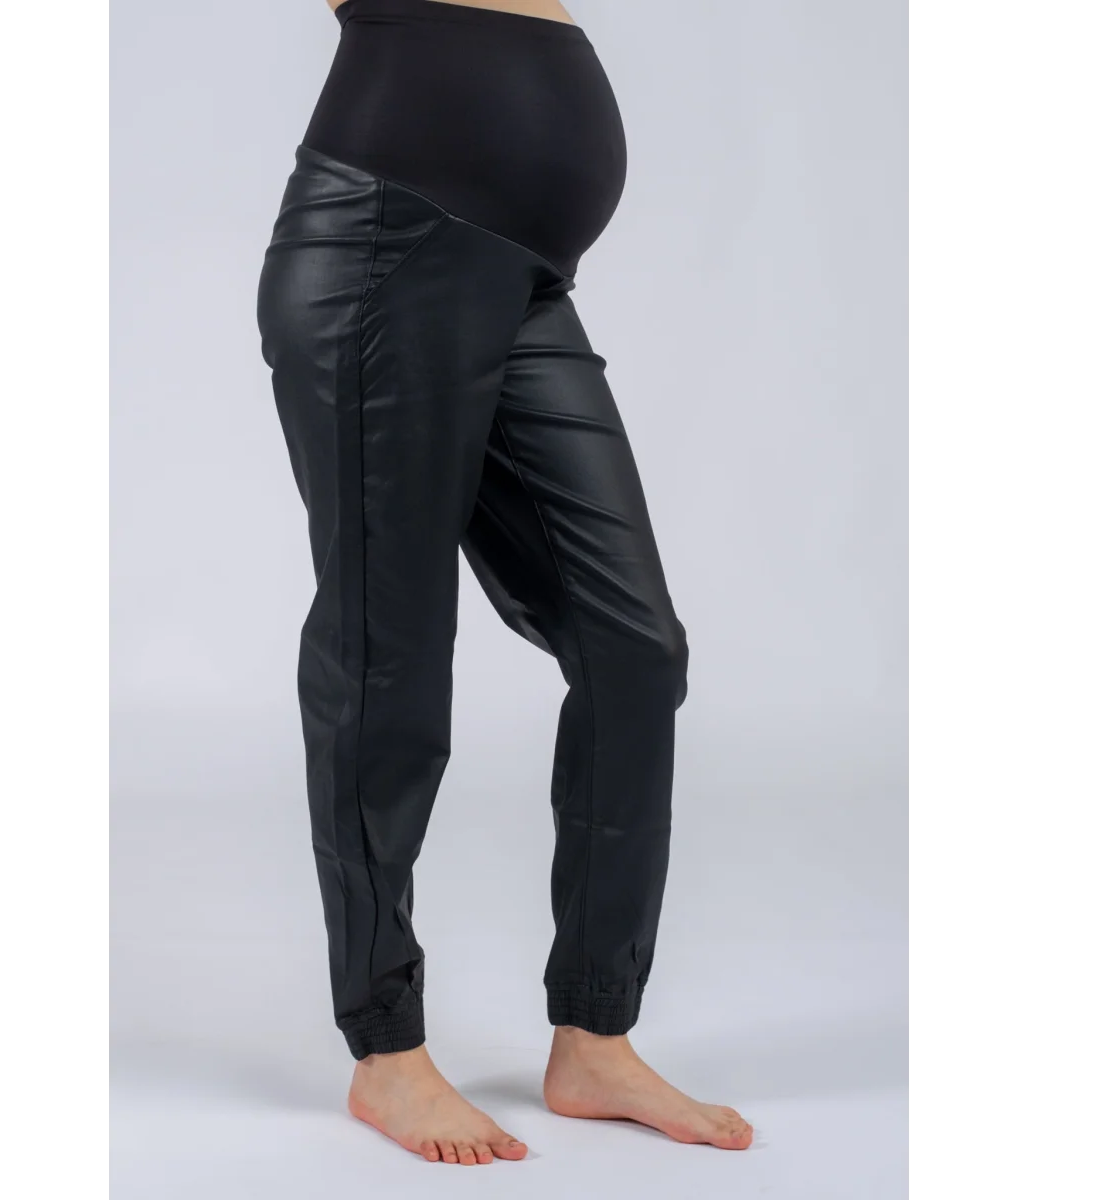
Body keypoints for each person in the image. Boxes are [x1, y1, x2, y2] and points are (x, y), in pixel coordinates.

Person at [257, 0, 753, 1166]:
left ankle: (595, 1037)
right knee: (387, 654)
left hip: (523, 272)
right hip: (385, 242)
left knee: (636, 650)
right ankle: (387, 1051)